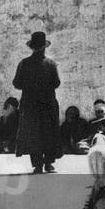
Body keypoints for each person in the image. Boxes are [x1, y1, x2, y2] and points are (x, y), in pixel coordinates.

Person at [13, 31, 63, 174]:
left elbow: (17, 83)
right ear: (44, 47)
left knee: (33, 133)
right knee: (49, 132)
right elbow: (56, 83)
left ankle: (37, 164)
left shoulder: (24, 64)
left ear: (32, 47)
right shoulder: (51, 64)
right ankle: (48, 163)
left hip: (30, 105)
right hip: (47, 104)